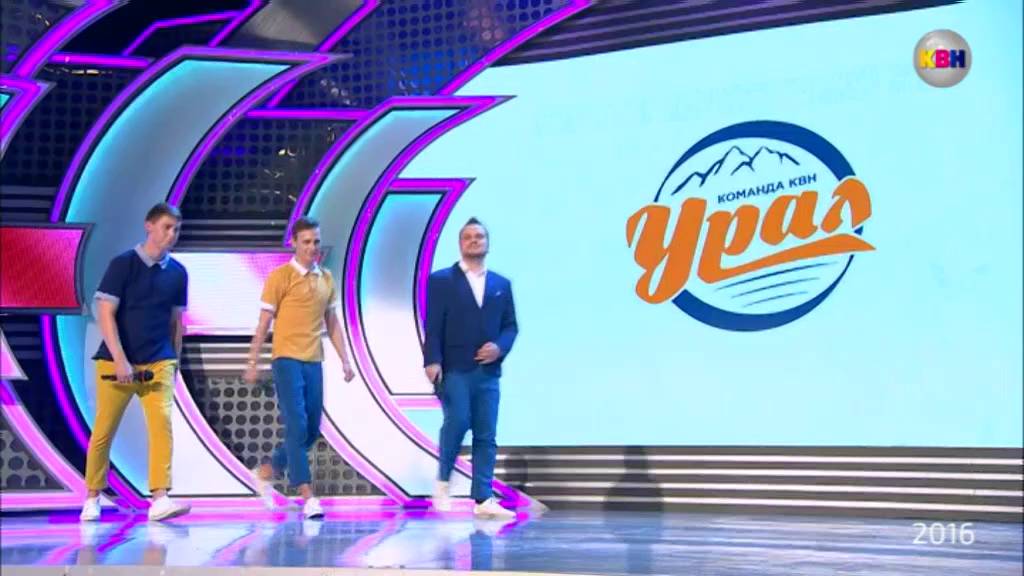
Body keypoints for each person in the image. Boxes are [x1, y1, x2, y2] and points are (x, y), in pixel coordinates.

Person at [80, 202, 191, 522]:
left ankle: (160, 497)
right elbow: (105, 313)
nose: (171, 234)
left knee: (161, 426)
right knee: (104, 430)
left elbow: (176, 322)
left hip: (159, 361)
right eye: (166, 227)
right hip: (116, 362)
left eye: (176, 229)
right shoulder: (123, 264)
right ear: (149, 226)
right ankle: (93, 496)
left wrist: (174, 360)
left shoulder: (178, 273)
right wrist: (120, 359)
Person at [244, 216, 355, 519]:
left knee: (311, 429)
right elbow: (263, 324)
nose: (312, 247)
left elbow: (332, 322)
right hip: (286, 359)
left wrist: (345, 360)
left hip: (313, 360)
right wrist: (252, 361)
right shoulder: (280, 277)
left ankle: (267, 471)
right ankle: (308, 496)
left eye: (316, 241)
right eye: (306, 242)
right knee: (296, 426)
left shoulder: (326, 278)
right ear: (293, 243)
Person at [424, 217, 518, 518]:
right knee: (458, 420)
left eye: (479, 236)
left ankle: (483, 498)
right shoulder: (441, 281)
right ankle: (443, 480)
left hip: (488, 372)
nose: (474, 241)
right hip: (455, 368)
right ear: (460, 244)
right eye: (468, 237)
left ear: (487, 243)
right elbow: (433, 325)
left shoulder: (501, 284)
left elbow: (510, 326)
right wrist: (432, 360)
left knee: (486, 433)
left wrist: (499, 347)